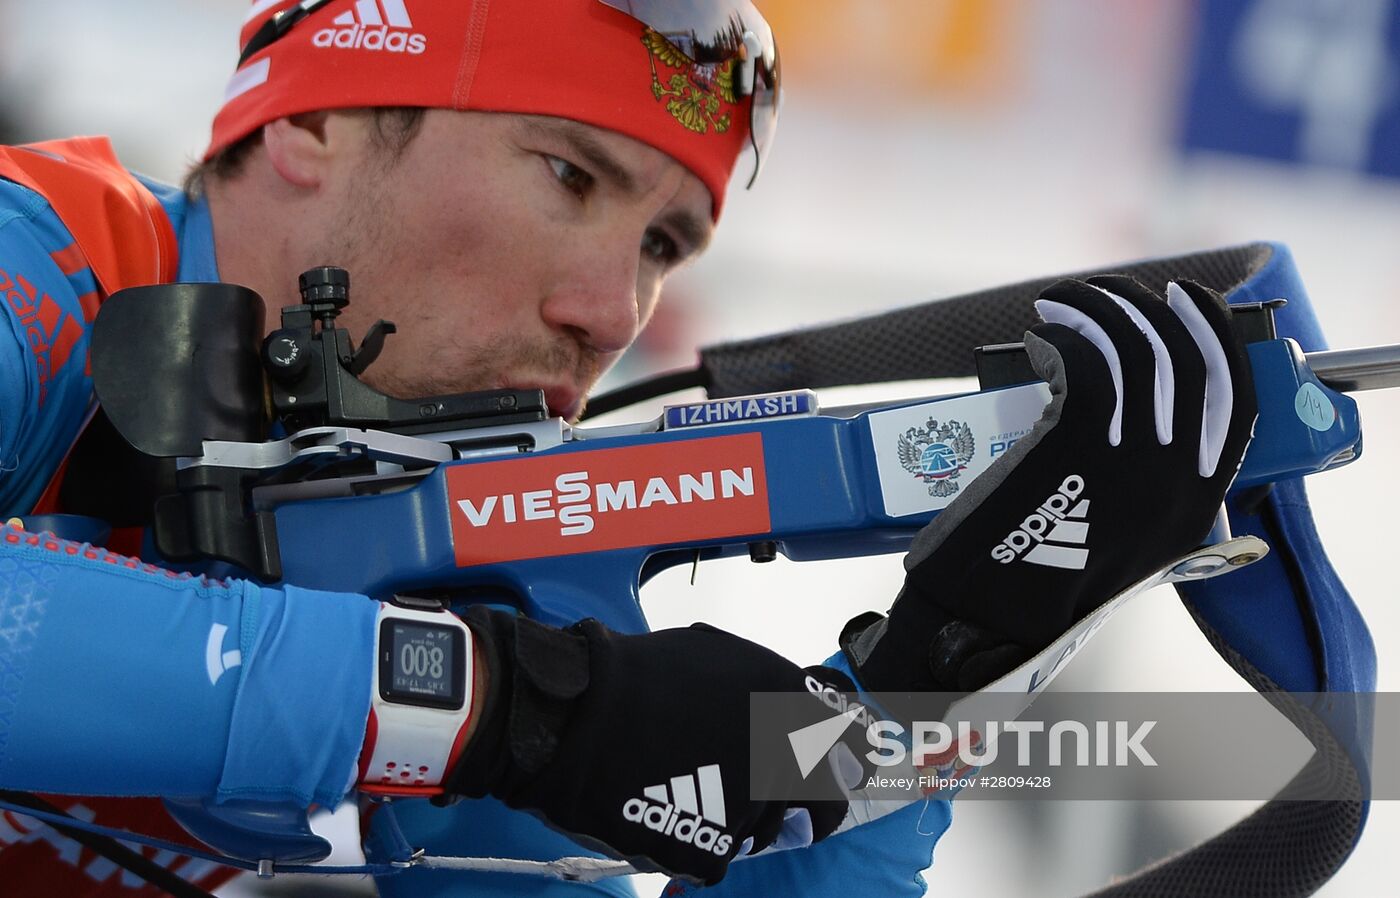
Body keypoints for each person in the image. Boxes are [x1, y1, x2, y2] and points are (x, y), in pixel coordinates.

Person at [0, 1, 1262, 897]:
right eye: (566, 175)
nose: (611, 311)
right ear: (315, 124)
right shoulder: (40, 259)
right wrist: (490, 703)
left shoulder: (463, 551)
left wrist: (923, 694)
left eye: (662, 247)